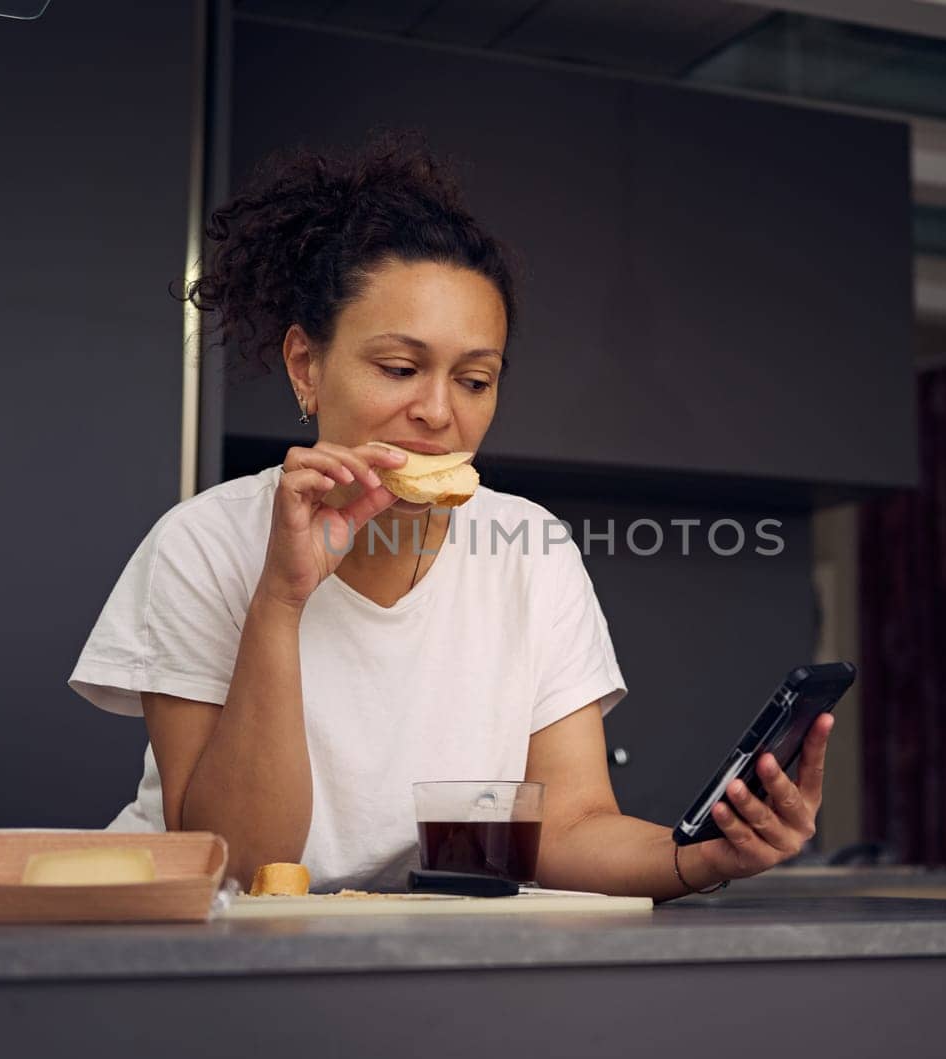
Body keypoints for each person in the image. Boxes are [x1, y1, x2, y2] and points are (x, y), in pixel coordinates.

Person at [67, 133, 834, 900]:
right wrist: (282, 597)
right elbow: (238, 866)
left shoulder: (531, 550)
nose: (438, 412)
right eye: (400, 369)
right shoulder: (202, 544)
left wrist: (702, 857)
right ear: (307, 366)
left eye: (474, 379)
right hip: (203, 957)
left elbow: (565, 829)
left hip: (422, 953)